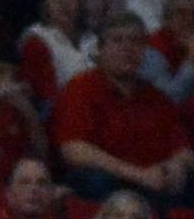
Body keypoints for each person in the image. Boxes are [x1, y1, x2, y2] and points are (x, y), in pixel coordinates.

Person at [52, 14, 193, 203]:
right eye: (117, 40)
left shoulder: (157, 98)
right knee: (94, 180)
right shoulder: (80, 88)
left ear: (145, 51)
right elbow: (74, 150)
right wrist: (139, 175)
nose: (127, 48)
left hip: (156, 181)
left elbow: (183, 149)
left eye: (136, 41)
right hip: (112, 182)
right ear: (100, 49)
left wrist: (177, 165)